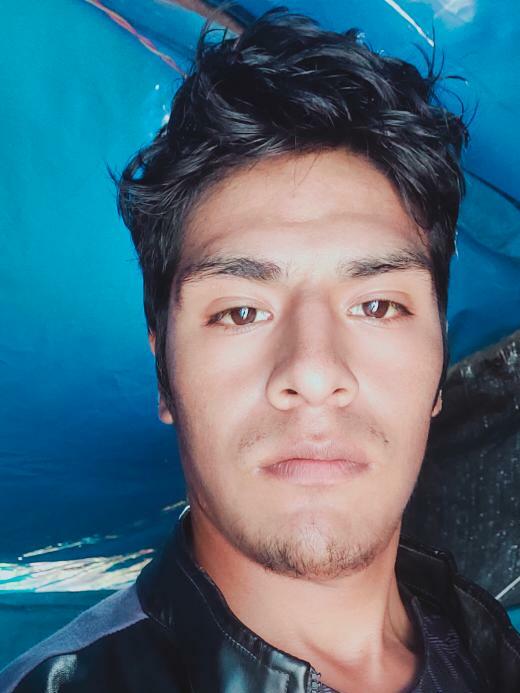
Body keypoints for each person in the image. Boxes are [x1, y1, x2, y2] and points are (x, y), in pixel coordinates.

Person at [1, 7, 519, 693]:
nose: (313, 372)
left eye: (377, 306)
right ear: (164, 373)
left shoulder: (489, 648)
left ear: (438, 364)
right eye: (241, 311)